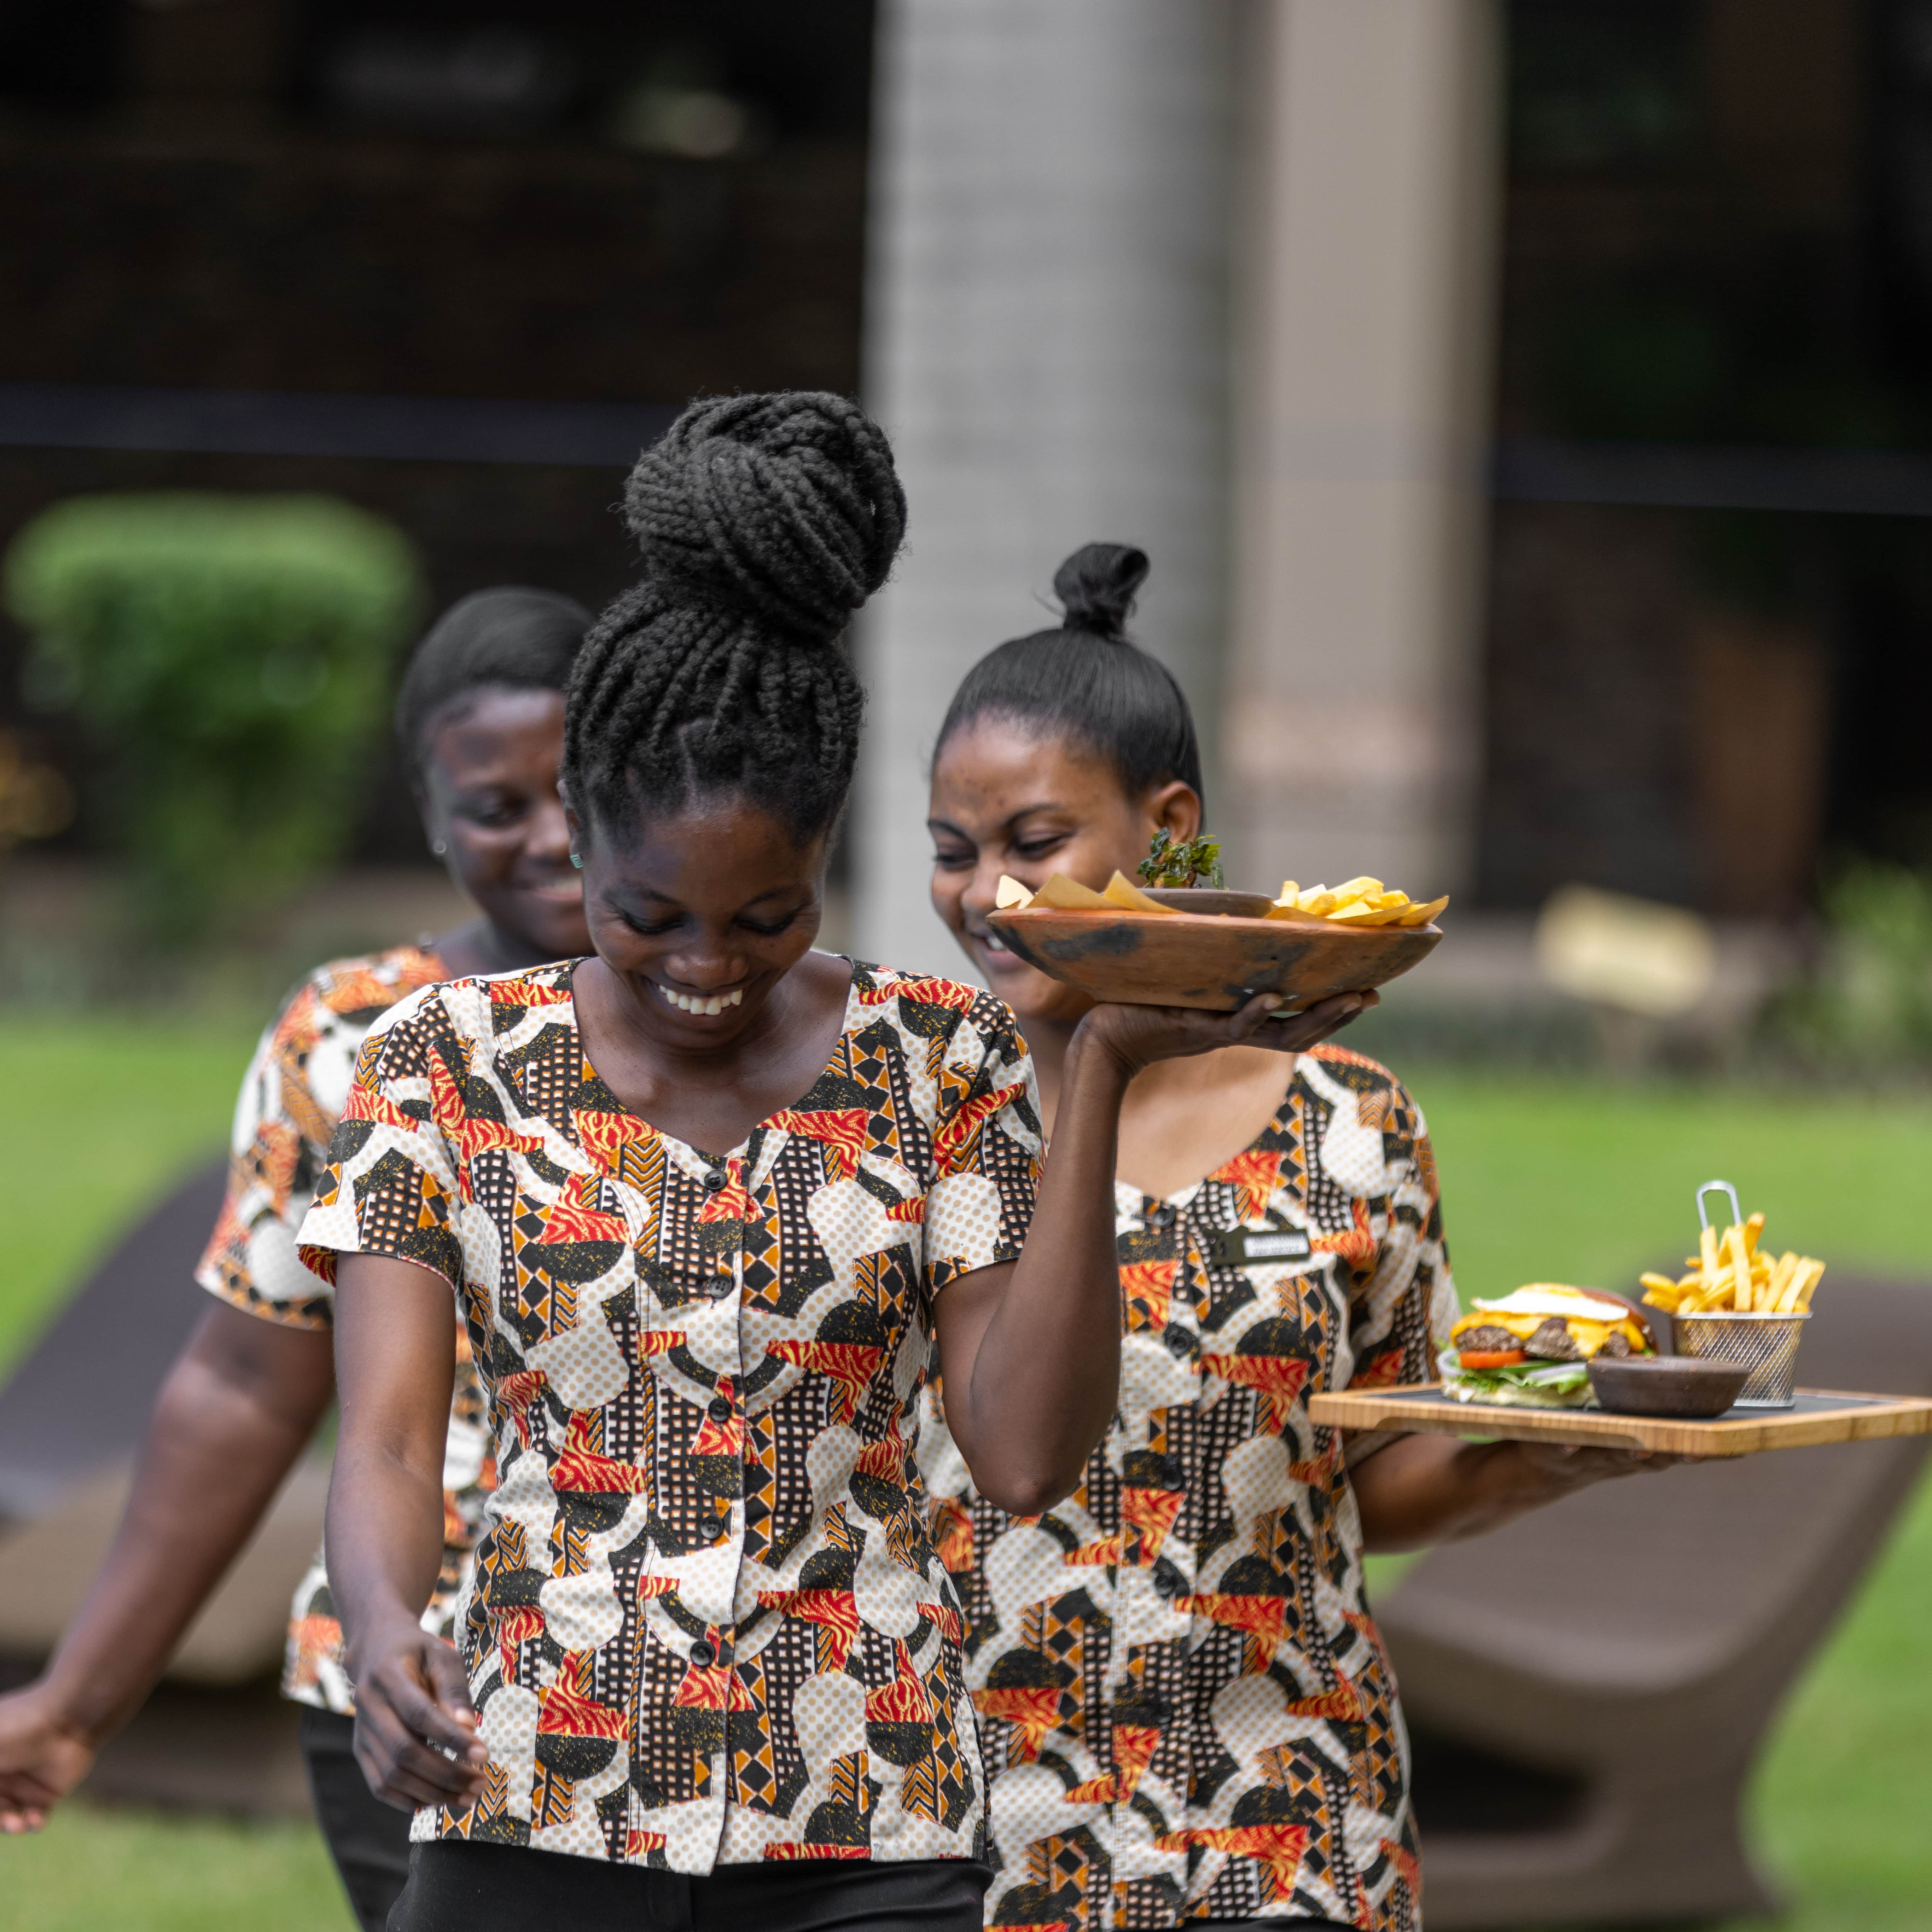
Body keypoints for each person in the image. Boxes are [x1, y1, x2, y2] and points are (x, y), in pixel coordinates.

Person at [297, 394, 1369, 1932]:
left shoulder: (940, 1057)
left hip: (860, 1812)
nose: (707, 970)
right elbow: (391, 1444)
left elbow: (1018, 1453)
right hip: (534, 1790)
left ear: (824, 856)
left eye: (767, 916)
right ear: (583, 847)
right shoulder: (437, 1063)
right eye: (647, 917)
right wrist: (388, 1624)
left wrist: (1109, 1067)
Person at [922, 542, 1683, 1932]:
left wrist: (1547, 1461)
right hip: (968, 1825)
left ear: (1169, 824)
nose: (984, 892)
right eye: (953, 852)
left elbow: (1367, 1480)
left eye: (1033, 843)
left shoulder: (1354, 1126)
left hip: (1286, 1814)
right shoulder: (914, 1109)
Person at [0, 586, 594, 1932]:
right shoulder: (349, 1033)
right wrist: (75, 1705)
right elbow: (244, 1384)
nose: (554, 838)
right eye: (498, 808)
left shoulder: (734, 1019)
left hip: (695, 1684)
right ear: (432, 816)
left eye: (581, 788)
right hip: (408, 1690)